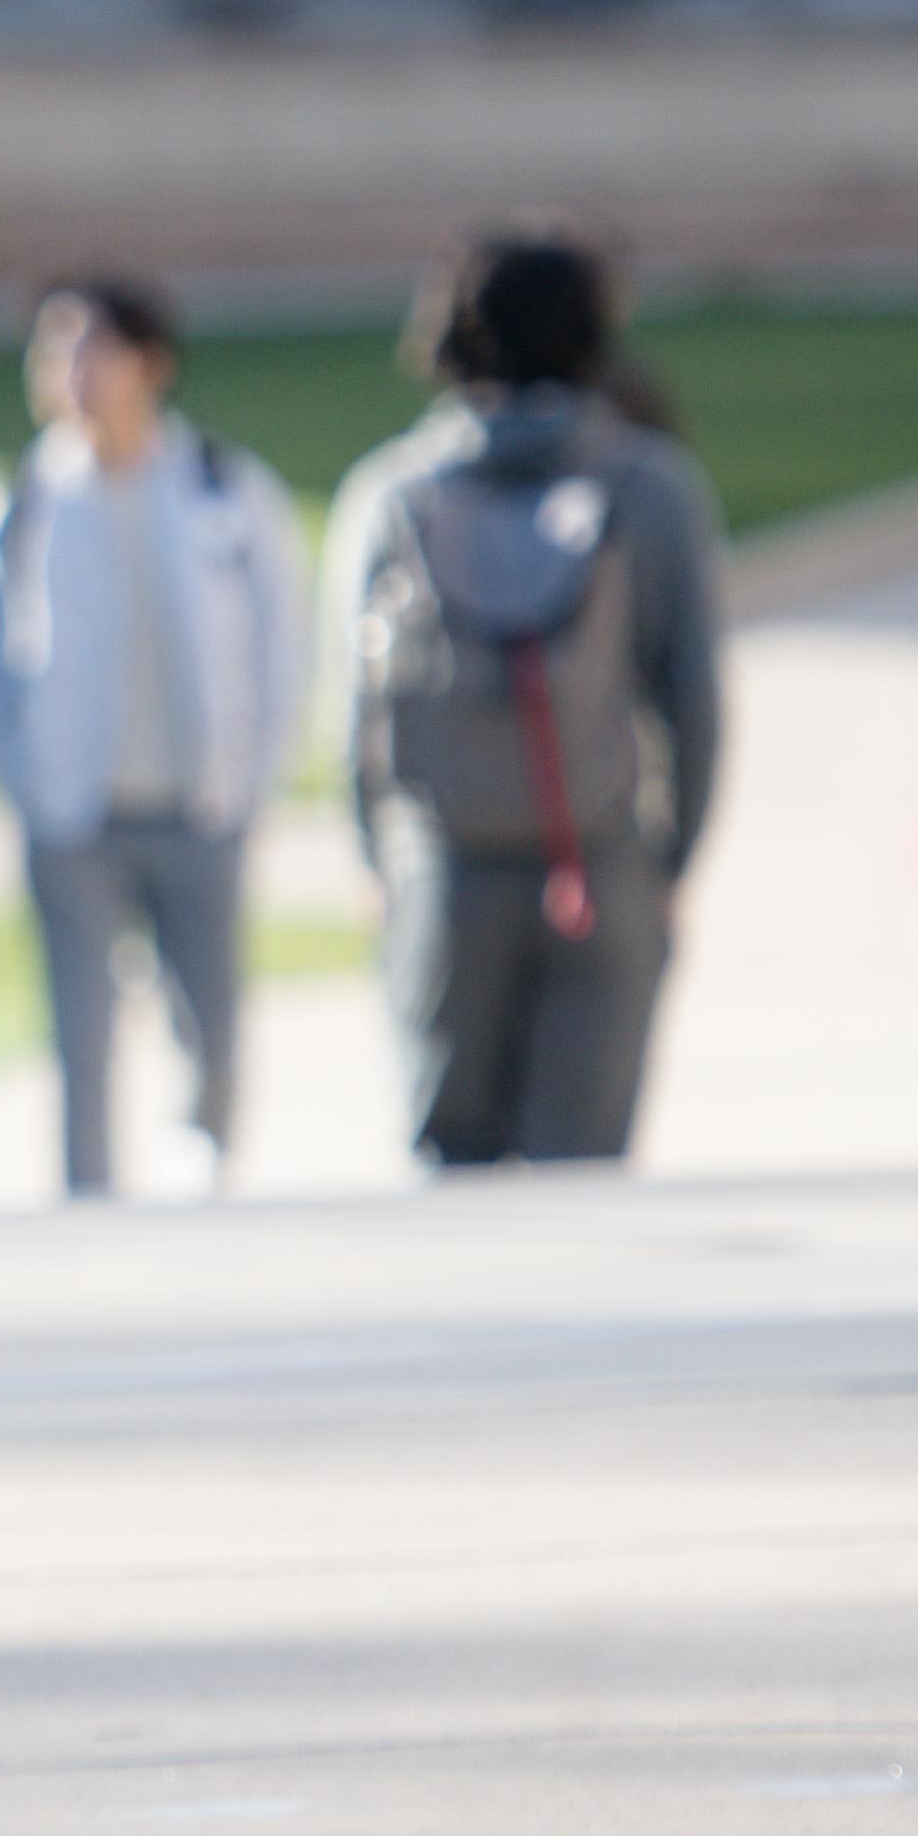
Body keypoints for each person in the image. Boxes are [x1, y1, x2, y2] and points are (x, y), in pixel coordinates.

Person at [323, 230, 724, 1167]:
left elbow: (353, 710)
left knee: (453, 1167)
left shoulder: (395, 496)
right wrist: (673, 858)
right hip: (598, 862)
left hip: (442, 871)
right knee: (583, 1169)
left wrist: (372, 854)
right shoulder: (647, 487)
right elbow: (693, 697)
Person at [0, 280, 308, 1198]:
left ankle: (204, 1174)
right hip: (75, 818)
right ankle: (88, 1206)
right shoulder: (15, 505)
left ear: (151, 365)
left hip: (200, 808)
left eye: (92, 350)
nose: (70, 374)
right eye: (54, 352)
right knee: (81, 1035)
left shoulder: (227, 487)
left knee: (211, 1024)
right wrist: (27, 782)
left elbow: (280, 644)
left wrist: (256, 774)